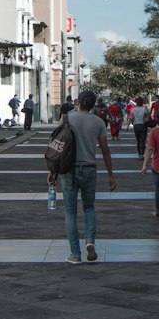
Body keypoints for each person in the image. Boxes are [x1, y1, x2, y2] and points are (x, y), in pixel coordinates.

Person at [59, 88, 116, 263]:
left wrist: (52, 171)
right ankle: (90, 242)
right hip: (90, 168)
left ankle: (75, 254)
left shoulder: (67, 119)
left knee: (70, 211)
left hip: (69, 169)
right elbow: (105, 150)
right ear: (93, 105)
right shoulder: (98, 122)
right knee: (89, 207)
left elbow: (59, 145)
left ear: (78, 102)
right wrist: (110, 174)